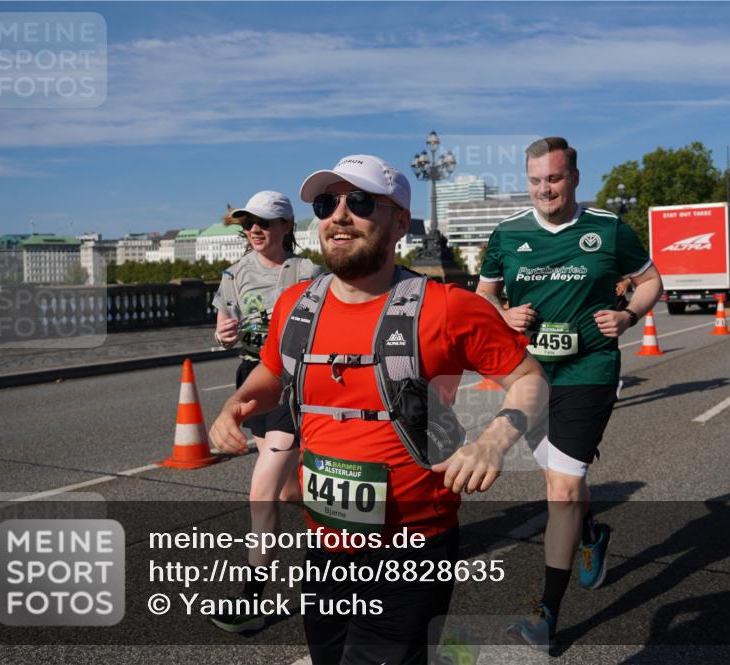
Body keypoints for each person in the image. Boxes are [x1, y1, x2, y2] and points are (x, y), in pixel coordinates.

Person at [209, 154, 547, 664]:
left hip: (414, 545)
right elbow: (274, 373)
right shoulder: (296, 306)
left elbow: (529, 380)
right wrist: (236, 403)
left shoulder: (449, 306)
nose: (338, 215)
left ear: (400, 223)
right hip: (324, 545)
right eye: (327, 203)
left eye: (360, 202)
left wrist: (493, 441)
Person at [476, 137, 662, 648]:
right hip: (530, 375)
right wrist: (504, 315)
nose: (544, 189)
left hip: (589, 371)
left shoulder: (606, 228)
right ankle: (591, 534)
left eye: (554, 179)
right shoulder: (508, 234)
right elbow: (484, 296)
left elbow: (652, 281)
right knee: (563, 483)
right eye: (536, 180)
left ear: (574, 178)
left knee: (560, 490)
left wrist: (628, 315)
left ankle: (545, 612)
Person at [210, 191, 317, 632]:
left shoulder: (309, 273)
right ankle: (357, 531)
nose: (256, 229)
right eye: (250, 222)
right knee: (291, 491)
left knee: (261, 492)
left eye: (267, 222)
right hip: (252, 379)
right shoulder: (234, 275)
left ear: (287, 227)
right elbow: (224, 330)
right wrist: (223, 335)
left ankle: (252, 597)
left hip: (292, 386)